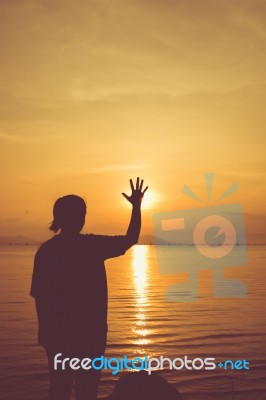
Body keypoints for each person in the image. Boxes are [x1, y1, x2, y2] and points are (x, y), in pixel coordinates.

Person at [30, 178, 148, 400]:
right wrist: (136, 206)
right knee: (85, 390)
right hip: (89, 335)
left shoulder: (47, 251)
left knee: (59, 388)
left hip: (59, 335)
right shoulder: (92, 246)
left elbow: (39, 297)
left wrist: (44, 330)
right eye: (79, 214)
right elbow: (131, 238)